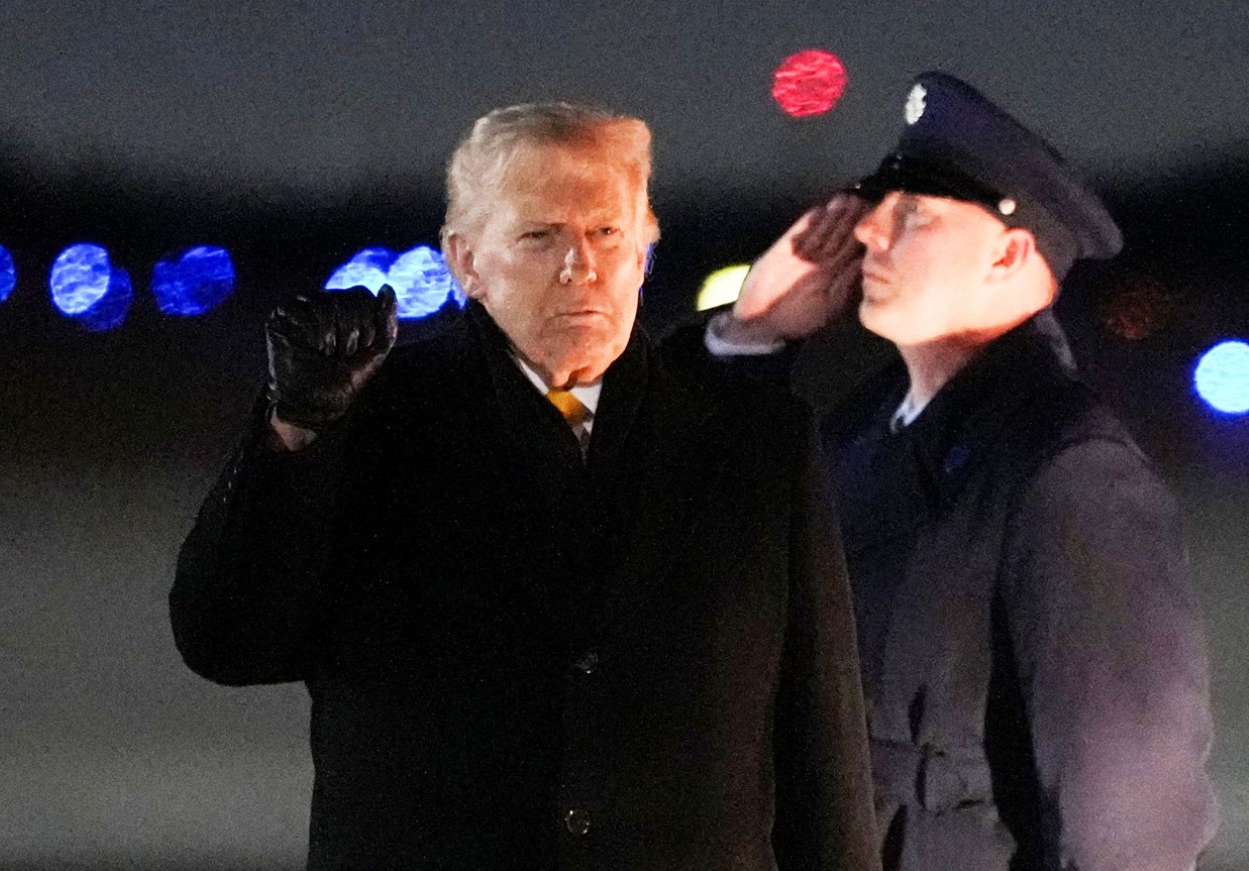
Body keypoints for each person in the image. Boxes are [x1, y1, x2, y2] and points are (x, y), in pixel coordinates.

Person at [170, 102, 879, 870]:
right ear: (465, 262)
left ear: (644, 251)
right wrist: (296, 430)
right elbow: (227, 641)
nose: (581, 265)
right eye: (540, 236)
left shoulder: (753, 440)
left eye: (606, 232)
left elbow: (821, 756)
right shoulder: (369, 420)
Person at [705, 72, 1218, 871]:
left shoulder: (1066, 467)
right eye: (878, 206)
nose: (868, 230)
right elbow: (705, 565)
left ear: (1008, 254)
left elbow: (1129, 824)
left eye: (913, 215)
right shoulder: (864, 429)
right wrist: (750, 337)